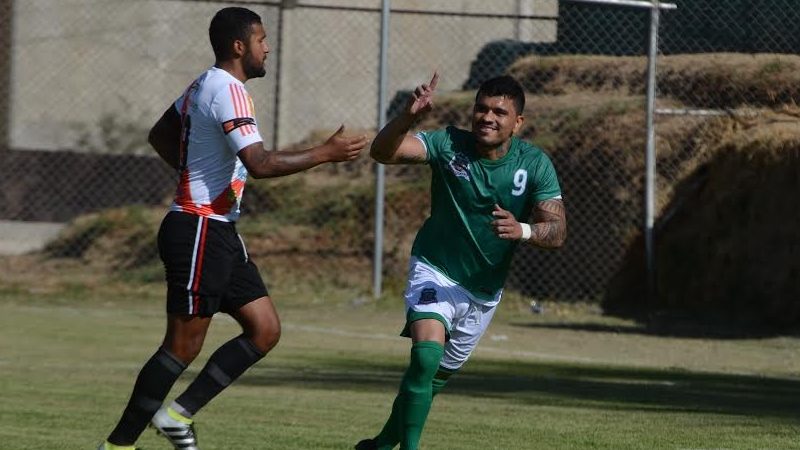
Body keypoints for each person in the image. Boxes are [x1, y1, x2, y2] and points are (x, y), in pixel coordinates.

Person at [97, 7, 366, 450]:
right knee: (181, 347)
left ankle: (176, 417)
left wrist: (196, 173)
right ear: (240, 46)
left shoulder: (204, 83)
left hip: (218, 230)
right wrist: (326, 152)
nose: (268, 48)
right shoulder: (229, 90)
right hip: (199, 228)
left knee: (264, 329)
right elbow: (259, 164)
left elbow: (161, 134)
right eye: (262, 40)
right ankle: (118, 445)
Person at [355, 73, 567, 450]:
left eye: (500, 112)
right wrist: (408, 117)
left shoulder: (534, 164)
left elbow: (557, 230)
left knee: (432, 380)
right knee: (425, 357)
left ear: (518, 122)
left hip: (485, 289)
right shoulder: (448, 143)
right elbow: (382, 152)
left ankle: (381, 445)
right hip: (435, 267)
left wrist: (524, 230)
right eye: (481, 108)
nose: (488, 117)